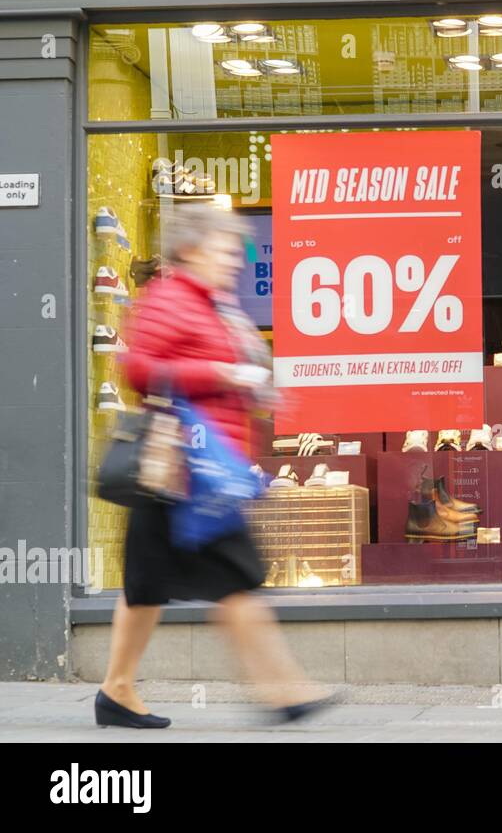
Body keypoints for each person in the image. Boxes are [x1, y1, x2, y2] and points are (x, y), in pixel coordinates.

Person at [95, 203, 327, 729]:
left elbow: (227, 374)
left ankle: (117, 689)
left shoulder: (213, 303)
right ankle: (283, 691)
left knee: (146, 585)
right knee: (236, 577)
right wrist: (222, 372)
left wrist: (255, 388)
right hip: (185, 470)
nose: (234, 261)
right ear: (193, 249)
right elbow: (137, 368)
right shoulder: (168, 298)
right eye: (225, 250)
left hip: (201, 467)